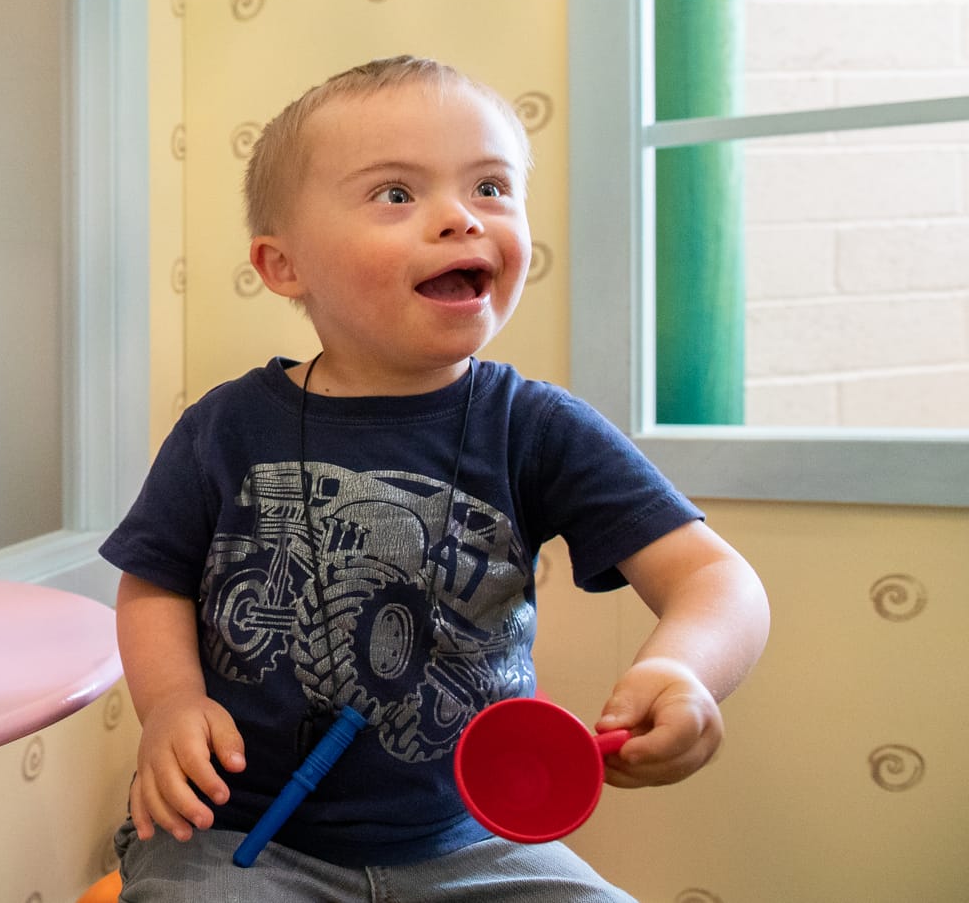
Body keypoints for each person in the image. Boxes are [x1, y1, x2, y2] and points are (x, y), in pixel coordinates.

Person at [100, 56, 769, 900]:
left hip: (471, 844)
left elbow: (716, 577)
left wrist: (685, 671)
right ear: (283, 265)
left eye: (491, 187)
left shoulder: (536, 426)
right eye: (395, 194)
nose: (460, 218)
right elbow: (153, 581)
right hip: (238, 836)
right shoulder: (226, 425)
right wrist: (170, 703)